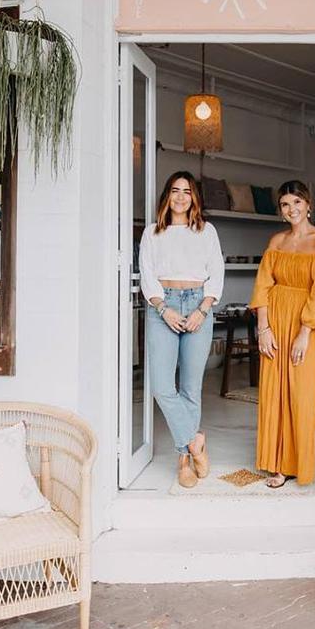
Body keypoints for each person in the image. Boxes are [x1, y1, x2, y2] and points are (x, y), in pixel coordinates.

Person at [139, 171, 224, 488]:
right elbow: (147, 274)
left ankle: (184, 460)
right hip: (164, 304)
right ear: (167, 196)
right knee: (162, 386)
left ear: (194, 198)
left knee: (190, 388)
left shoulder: (206, 231)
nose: (180, 196)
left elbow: (216, 271)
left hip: (199, 305)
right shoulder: (153, 233)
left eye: (186, 191)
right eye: (174, 191)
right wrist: (164, 308)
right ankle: (194, 440)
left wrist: (203, 309)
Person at [250, 180, 315, 488]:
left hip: (306, 324)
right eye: (285, 204)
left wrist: (306, 331)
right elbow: (262, 286)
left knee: (303, 391)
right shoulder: (277, 240)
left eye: (297, 202)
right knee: (275, 391)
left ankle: (299, 460)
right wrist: (263, 328)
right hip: (275, 318)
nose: (292, 209)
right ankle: (279, 464)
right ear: (280, 210)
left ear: (308, 204)